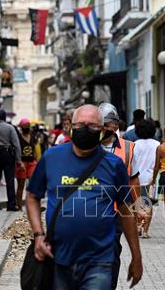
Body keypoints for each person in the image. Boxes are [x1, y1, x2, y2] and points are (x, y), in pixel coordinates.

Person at [26, 104, 143, 290]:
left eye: (92, 125)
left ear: (102, 130)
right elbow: (32, 197)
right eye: (80, 124)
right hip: (58, 258)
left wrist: (137, 257)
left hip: (99, 260)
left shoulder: (114, 165)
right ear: (70, 126)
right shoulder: (51, 157)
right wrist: (39, 234)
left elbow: (125, 211)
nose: (85, 129)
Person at [97, 102, 140, 290]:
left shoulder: (129, 148)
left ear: (115, 125)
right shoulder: (87, 146)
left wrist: (138, 207)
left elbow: (134, 181)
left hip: (116, 212)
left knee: (112, 254)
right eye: (100, 124)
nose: (103, 128)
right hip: (90, 210)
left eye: (106, 124)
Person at [0, 109, 23, 211]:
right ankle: (11, 204)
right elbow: (16, 144)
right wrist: (19, 160)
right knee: (9, 180)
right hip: (7, 154)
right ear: (5, 117)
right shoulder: (10, 128)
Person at [130, 119, 160, 238]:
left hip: (136, 178)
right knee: (149, 204)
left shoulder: (135, 144)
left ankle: (138, 225)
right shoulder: (157, 144)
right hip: (152, 179)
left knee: (137, 203)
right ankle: (146, 231)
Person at [15, 118, 41, 210]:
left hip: (31, 162)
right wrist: (18, 161)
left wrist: (38, 160)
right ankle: (19, 206)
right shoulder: (18, 137)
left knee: (32, 184)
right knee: (21, 185)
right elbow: (16, 150)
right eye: (25, 126)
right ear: (21, 127)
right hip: (21, 163)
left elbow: (36, 149)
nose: (27, 127)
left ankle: (33, 205)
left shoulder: (33, 136)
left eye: (28, 126)